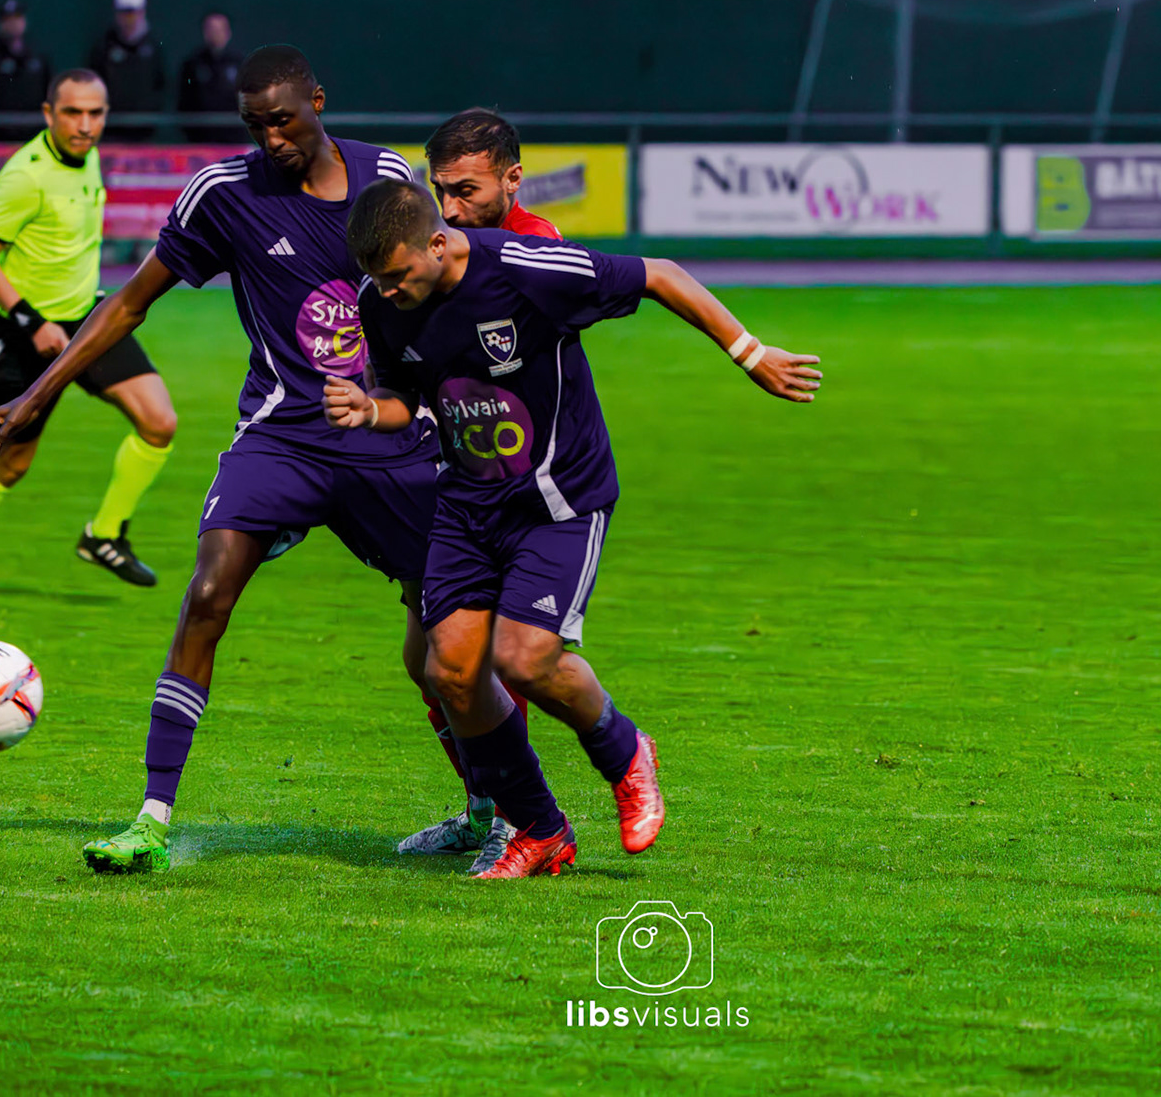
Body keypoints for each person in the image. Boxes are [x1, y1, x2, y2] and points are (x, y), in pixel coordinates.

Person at [0, 45, 439, 875]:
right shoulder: (225, 195)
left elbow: (442, 281)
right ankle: (150, 813)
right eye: (255, 125)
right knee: (207, 592)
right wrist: (32, 397)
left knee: (447, 641)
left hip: (386, 438)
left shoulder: (387, 176)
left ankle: (489, 811)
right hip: (282, 434)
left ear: (318, 101)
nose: (272, 138)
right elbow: (129, 304)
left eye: (284, 119)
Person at [333, 179, 823, 876]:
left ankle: (623, 750)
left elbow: (660, 274)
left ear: (437, 242)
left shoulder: (527, 270)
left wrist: (750, 353)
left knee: (525, 659)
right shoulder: (377, 301)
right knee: (451, 670)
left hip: (557, 501)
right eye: (377, 280)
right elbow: (403, 398)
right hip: (468, 505)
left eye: (399, 275)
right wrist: (366, 409)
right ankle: (540, 829)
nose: (387, 292)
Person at [0, 69, 176, 604]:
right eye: (72, 113)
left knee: (159, 422)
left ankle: (104, 535)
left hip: (86, 321)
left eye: (95, 113)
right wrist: (33, 323)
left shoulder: (88, 157)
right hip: (24, 334)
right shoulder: (26, 176)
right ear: (48, 114)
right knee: (11, 463)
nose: (85, 125)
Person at [392, 106, 567, 860]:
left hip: (517, 492)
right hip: (444, 474)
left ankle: (517, 820)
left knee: (492, 659)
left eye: (466, 190)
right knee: (422, 656)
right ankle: (478, 807)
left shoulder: (540, 246)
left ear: (513, 178)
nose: (453, 208)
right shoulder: (437, 248)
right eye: (441, 193)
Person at [424, 107, 563, 238]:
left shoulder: (535, 242)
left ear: (512, 179)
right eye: (440, 189)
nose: (448, 213)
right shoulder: (437, 240)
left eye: (466, 191)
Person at [88, 0, 166, 141]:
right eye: (124, 13)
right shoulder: (103, 47)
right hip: (110, 131)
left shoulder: (154, 46)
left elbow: (161, 83)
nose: (129, 19)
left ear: (142, 13)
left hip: (146, 132)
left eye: (133, 13)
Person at [0, 0, 54, 142]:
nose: (13, 24)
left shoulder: (38, 58)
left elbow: (50, 95)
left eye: (17, 18)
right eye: (7, 20)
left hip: (34, 135)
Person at [177, 12, 240, 142]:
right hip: (200, 139)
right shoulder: (193, 63)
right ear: (204, 32)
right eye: (211, 29)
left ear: (228, 32)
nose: (215, 33)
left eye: (219, 29)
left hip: (233, 138)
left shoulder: (239, 63)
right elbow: (185, 99)